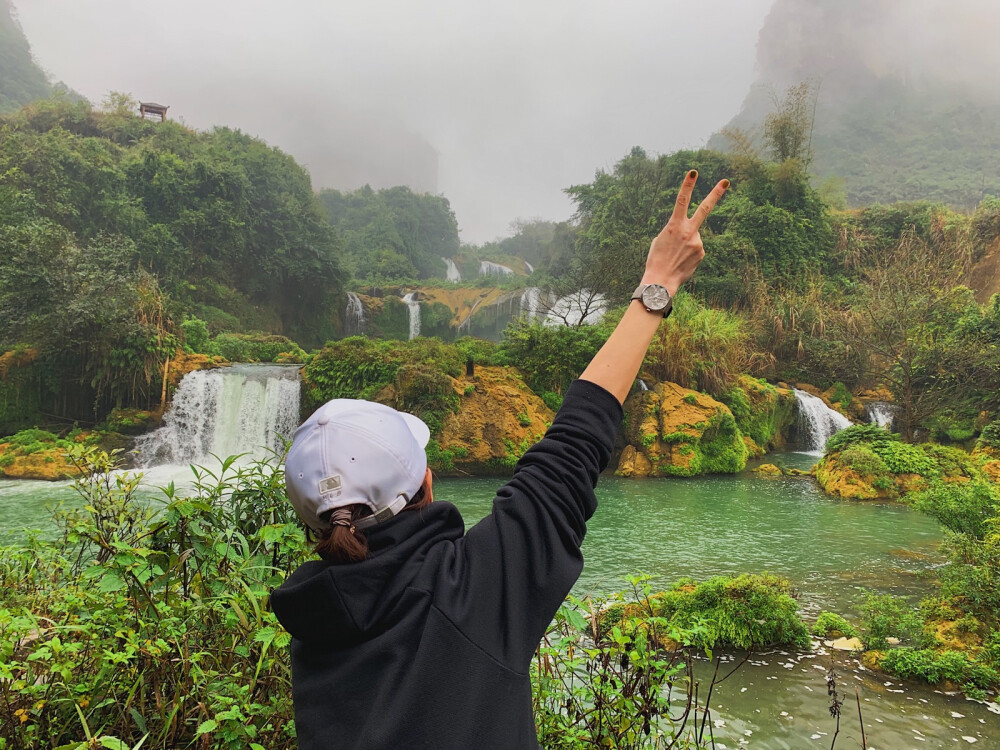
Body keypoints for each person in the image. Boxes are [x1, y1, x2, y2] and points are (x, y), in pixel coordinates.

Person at [270, 171, 729, 750]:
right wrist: (657, 285)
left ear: (312, 527)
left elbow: (562, 465)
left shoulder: (310, 627)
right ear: (427, 486)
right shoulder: (472, 594)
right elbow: (570, 452)